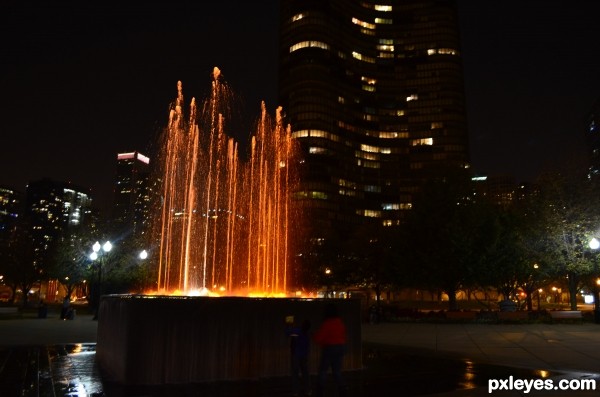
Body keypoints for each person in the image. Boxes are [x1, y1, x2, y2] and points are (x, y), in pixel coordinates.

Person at [313, 303, 347, 397]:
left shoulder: (327, 323)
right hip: (340, 347)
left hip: (330, 348)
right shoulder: (339, 322)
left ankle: (320, 390)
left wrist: (314, 336)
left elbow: (320, 337)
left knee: (323, 370)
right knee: (337, 371)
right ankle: (342, 388)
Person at [285, 318, 311, 396]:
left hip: (296, 355)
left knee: (295, 374)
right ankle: (308, 390)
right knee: (305, 373)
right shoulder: (306, 334)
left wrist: (289, 324)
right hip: (304, 355)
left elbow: (287, 333)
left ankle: (296, 391)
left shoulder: (298, 331)